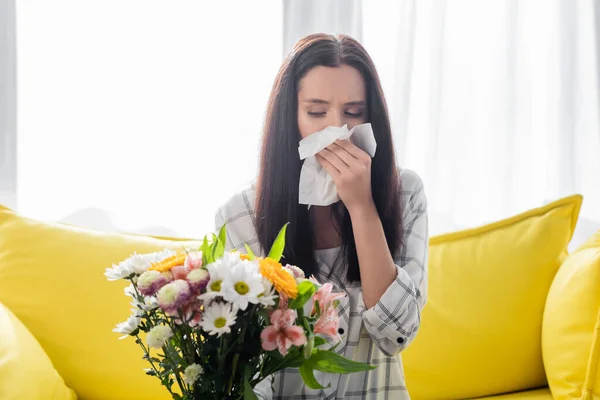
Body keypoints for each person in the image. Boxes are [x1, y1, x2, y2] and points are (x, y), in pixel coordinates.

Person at [213, 33, 428, 400]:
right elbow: (235, 357)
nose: (335, 130)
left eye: (353, 112)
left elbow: (398, 333)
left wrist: (362, 208)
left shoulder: (404, 193)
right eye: (316, 112)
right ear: (290, 119)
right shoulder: (240, 216)